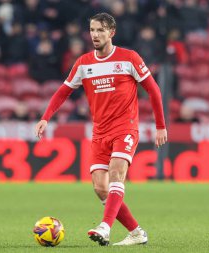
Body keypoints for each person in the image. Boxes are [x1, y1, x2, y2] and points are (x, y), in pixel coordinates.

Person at [34, 13, 167, 246]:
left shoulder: (129, 58)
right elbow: (64, 90)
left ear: (111, 32)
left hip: (125, 128)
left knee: (116, 173)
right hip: (99, 133)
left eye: (100, 30)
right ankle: (136, 232)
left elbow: (154, 90)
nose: (95, 35)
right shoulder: (84, 63)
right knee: (99, 187)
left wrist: (160, 126)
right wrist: (46, 117)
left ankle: (105, 227)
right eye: (92, 30)